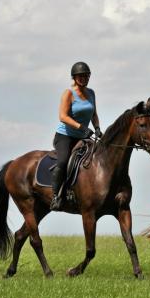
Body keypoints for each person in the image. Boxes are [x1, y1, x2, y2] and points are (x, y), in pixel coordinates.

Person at [50, 62, 102, 211]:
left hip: (83, 137)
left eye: (86, 76)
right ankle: (56, 196)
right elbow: (63, 117)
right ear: (74, 77)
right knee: (63, 161)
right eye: (81, 76)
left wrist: (97, 128)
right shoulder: (68, 93)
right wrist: (81, 127)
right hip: (65, 136)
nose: (84, 78)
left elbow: (94, 114)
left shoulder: (91, 93)